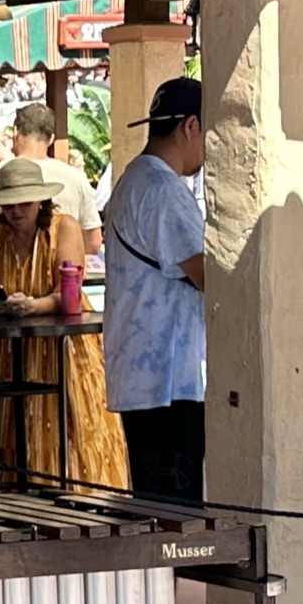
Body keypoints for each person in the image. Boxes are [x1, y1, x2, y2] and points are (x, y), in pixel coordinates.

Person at [0, 158, 130, 489]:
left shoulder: (63, 227)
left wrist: (32, 306)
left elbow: (67, 291)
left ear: (41, 200)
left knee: (71, 426)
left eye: (24, 202)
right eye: (9, 204)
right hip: (5, 352)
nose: (16, 211)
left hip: (59, 349)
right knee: (6, 427)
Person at [103, 77, 207, 501]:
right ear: (191, 126)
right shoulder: (164, 189)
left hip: (143, 374)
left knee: (155, 505)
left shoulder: (135, 179)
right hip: (169, 380)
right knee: (174, 516)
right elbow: (208, 276)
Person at [0, 104, 102, 258]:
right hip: (60, 275)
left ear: (15, 132)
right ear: (51, 139)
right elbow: (93, 242)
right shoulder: (76, 178)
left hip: (3, 274)